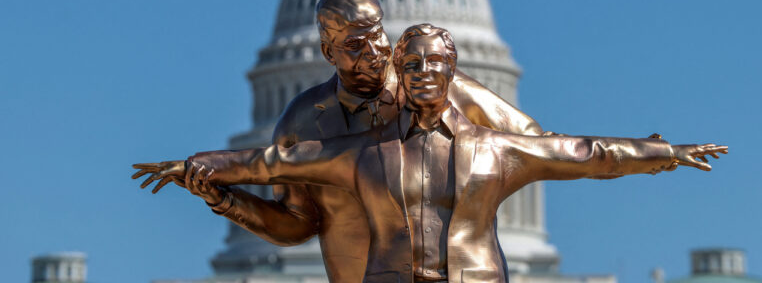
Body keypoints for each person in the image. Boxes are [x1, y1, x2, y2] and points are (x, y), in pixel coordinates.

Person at [135, 24, 727, 283]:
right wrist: (200, 167)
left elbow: (587, 153)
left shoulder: (495, 151)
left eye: (433, 65)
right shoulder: (363, 152)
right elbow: (275, 163)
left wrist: (663, 152)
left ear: (455, 73)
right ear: (397, 71)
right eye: (409, 65)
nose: (420, 75)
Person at [134, 0, 545, 283]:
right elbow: (297, 224)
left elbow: (531, 143)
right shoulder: (302, 122)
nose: (375, 53)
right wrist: (223, 198)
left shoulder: (436, 89)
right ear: (328, 52)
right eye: (355, 44)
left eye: (378, 35)